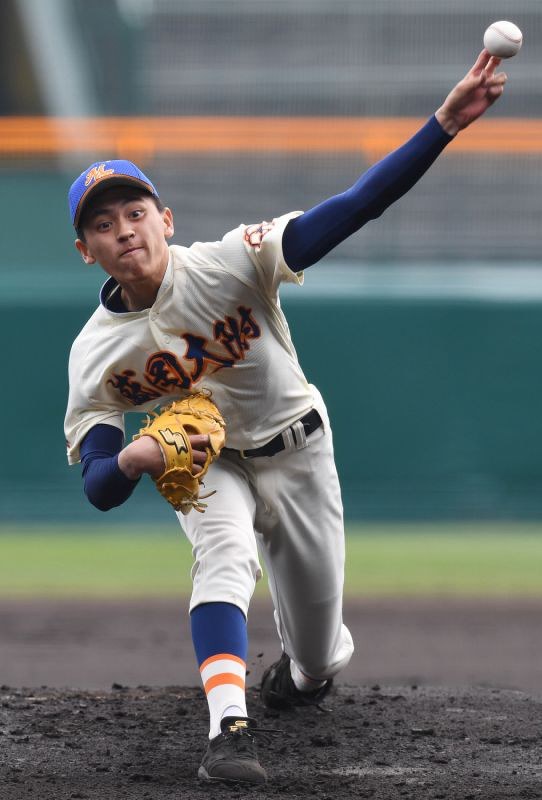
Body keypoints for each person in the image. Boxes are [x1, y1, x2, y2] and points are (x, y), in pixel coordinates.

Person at [64, 51, 507, 785]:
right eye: (104, 224)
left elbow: (354, 208)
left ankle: (299, 679)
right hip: (212, 459)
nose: (125, 229)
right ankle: (228, 733)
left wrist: (443, 125)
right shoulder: (94, 355)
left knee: (320, 653)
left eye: (136, 211)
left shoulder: (233, 261)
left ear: (165, 219)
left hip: (300, 450)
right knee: (225, 557)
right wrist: (135, 463)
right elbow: (98, 485)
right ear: (88, 252)